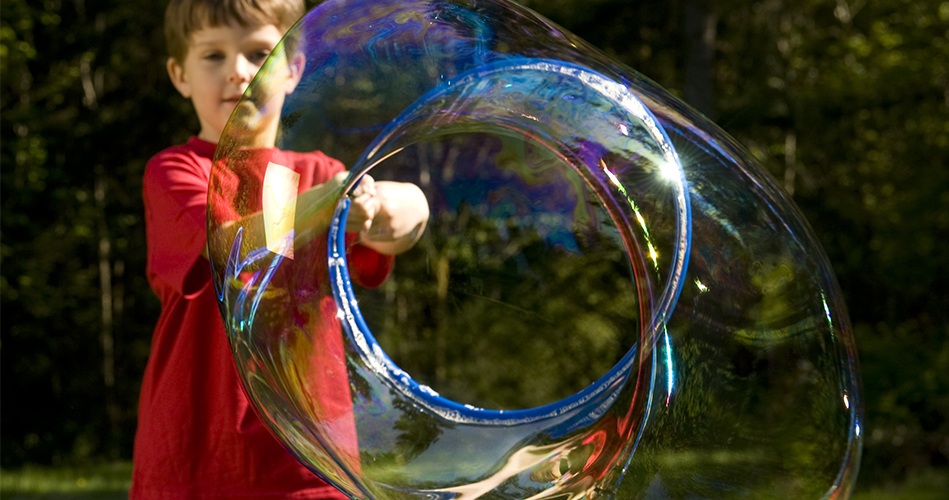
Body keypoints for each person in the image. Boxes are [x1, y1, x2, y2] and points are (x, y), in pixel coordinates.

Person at [132, 0, 429, 498]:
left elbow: (395, 225)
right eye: (213, 56)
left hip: (310, 463)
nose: (238, 72)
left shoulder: (317, 171)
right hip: (193, 461)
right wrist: (332, 200)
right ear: (178, 74)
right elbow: (229, 241)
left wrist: (401, 206)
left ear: (293, 70)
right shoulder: (177, 171)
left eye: (258, 53)